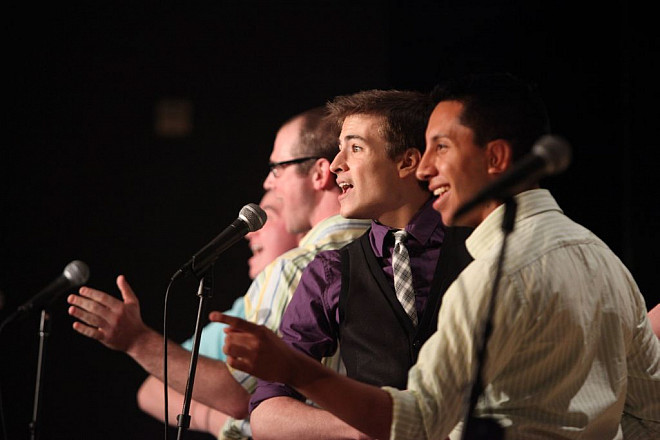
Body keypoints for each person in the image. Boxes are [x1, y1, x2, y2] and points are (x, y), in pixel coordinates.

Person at [214, 73, 660, 439]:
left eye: (440, 148)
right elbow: (648, 416)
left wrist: (297, 370)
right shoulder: (605, 260)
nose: (426, 168)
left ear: (496, 157)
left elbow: (420, 421)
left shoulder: (489, 275)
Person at [66, 107, 370, 439]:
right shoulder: (385, 248)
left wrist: (137, 341)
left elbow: (244, 394)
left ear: (319, 174)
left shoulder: (297, 268)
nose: (268, 181)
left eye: (277, 169)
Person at [248, 89, 473, 440]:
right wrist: (370, 426)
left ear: (407, 162)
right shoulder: (329, 271)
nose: (337, 163)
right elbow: (266, 411)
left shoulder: (479, 248)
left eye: (354, 148)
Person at [135, 190, 302, 436]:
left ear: (304, 231)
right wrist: (216, 420)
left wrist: (136, 340)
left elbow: (238, 395)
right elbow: (151, 389)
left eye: (269, 217)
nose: (251, 235)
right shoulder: (243, 308)